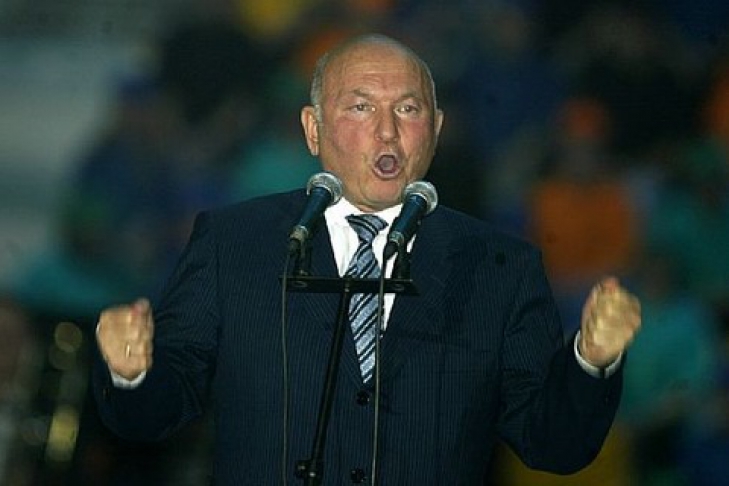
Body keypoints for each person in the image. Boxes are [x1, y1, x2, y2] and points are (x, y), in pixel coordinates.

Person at [93, 34, 641, 485]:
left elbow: (553, 445)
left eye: (407, 109)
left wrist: (589, 362)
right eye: (360, 107)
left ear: (436, 130)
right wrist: (132, 373)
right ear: (313, 129)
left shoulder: (498, 266)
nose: (387, 130)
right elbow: (157, 412)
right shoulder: (234, 243)